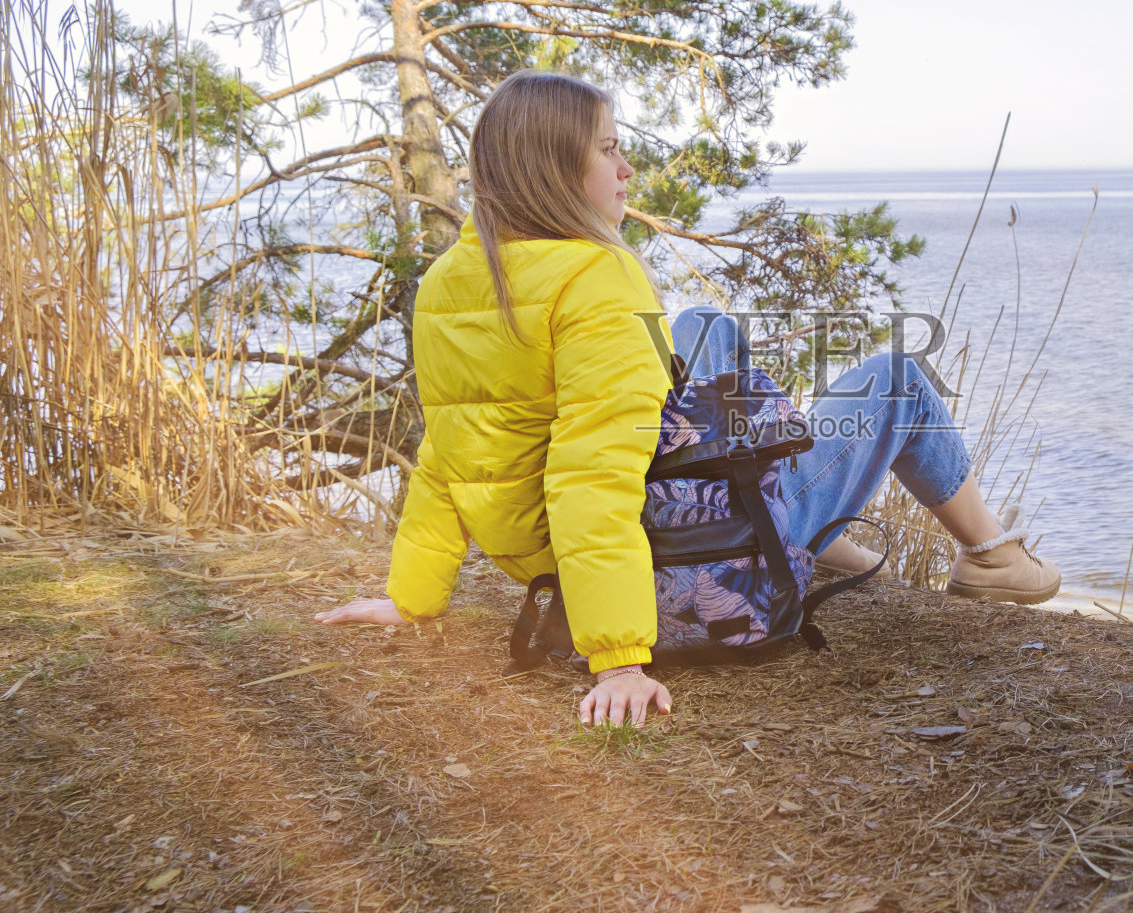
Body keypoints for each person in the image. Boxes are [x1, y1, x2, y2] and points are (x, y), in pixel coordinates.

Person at [314, 71, 1060, 728]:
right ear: (555, 169)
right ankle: (987, 555)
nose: (626, 166)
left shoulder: (451, 279)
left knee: (703, 326)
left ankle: (817, 530)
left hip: (579, 544)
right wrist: (617, 659)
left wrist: (411, 597)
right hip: (683, 554)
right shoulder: (597, 274)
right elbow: (591, 477)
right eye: (608, 148)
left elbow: (450, 451)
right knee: (896, 377)